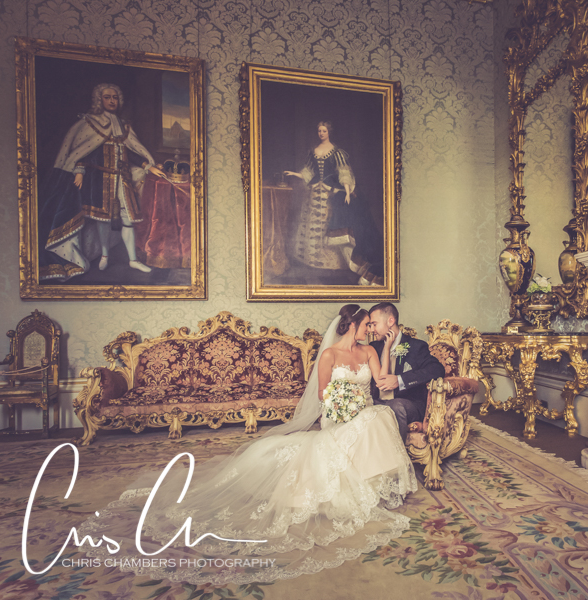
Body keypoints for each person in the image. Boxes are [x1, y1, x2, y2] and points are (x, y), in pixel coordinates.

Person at [77, 305, 416, 583]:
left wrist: (385, 349)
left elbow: (384, 386)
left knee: (379, 416)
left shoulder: (371, 350)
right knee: (369, 421)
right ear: (351, 324)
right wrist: (344, 410)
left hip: (363, 410)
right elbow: (322, 396)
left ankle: (377, 480)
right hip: (337, 414)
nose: (370, 330)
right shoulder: (328, 355)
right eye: (366, 325)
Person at [38, 83, 162, 281]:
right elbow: (84, 150)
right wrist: (78, 170)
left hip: (123, 179)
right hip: (100, 180)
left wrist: (148, 165)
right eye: (107, 97)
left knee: (128, 220)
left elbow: (132, 153)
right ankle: (104, 256)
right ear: (99, 100)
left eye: (114, 97)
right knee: (102, 221)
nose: (112, 101)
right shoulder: (89, 123)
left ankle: (132, 260)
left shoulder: (124, 125)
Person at [283, 121, 383, 285]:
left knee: (328, 222)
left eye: (324, 131)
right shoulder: (313, 152)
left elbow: (344, 172)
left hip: (331, 192)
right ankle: (312, 261)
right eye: (319, 131)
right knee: (311, 222)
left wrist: (348, 191)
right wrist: (294, 173)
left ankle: (336, 264)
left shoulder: (337, 153)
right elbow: (308, 172)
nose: (321, 133)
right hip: (315, 192)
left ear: (329, 132)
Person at [368, 302, 446, 440]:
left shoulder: (416, 346)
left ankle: (397, 456)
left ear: (390, 321)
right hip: (377, 401)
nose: (371, 329)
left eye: (375, 324)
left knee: (396, 406)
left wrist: (400, 380)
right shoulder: (373, 347)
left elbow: (437, 369)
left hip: (408, 404)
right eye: (370, 325)